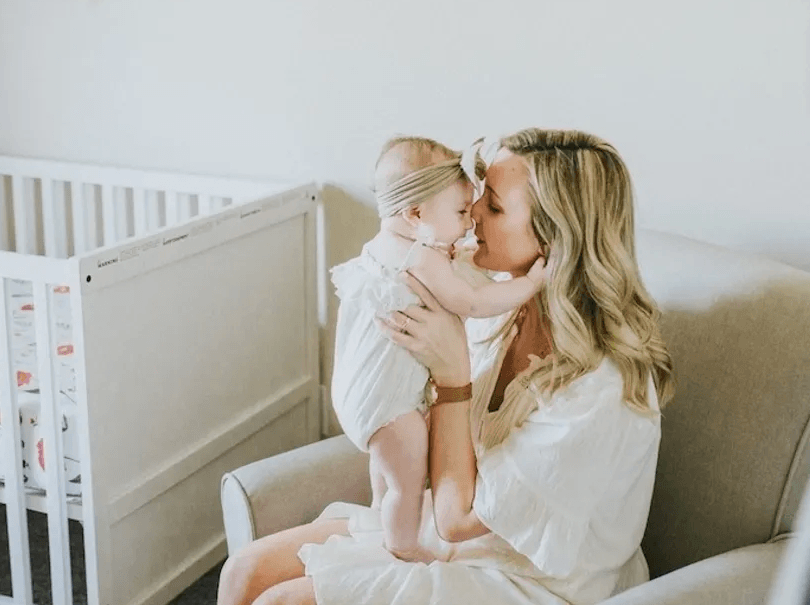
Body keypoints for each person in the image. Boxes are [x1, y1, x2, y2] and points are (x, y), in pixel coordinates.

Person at [217, 128, 674, 605]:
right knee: (244, 571)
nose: (471, 210)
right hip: (447, 535)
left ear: (554, 239)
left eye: (493, 206)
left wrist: (453, 377)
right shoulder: (496, 305)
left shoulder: (601, 387)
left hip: (529, 580)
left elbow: (458, 517)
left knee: (279, 603)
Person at [327, 136, 546, 562]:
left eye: (486, 207)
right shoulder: (421, 258)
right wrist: (529, 284)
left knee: (387, 472)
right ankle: (402, 545)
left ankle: (381, 514)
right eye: (463, 211)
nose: (470, 222)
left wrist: (451, 254)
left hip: (359, 395)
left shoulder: (384, 248)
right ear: (415, 214)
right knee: (408, 483)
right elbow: (471, 303)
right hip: (391, 404)